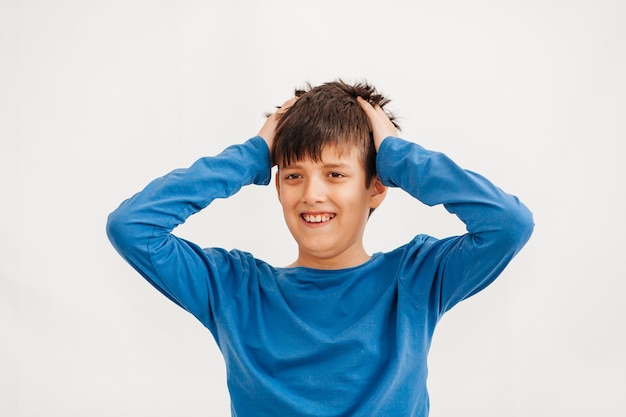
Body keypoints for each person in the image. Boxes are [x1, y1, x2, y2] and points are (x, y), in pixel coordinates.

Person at [106, 80, 534, 416]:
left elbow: (508, 224)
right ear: (276, 186)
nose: (312, 194)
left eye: (335, 174)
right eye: (293, 176)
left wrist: (397, 155)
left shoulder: (416, 280)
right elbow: (133, 226)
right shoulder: (234, 289)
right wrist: (252, 154)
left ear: (377, 186)